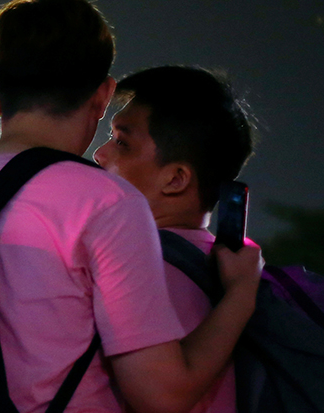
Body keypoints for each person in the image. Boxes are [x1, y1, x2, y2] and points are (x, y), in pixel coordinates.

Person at [0, 1, 264, 412]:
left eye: (122, 141)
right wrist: (240, 296)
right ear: (103, 94)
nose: (101, 154)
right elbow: (161, 395)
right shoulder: (107, 205)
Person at [92, 65, 259, 413]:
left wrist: (242, 296)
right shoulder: (228, 268)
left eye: (122, 142)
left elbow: (162, 398)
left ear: (176, 179)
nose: (101, 154)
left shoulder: (140, 265)